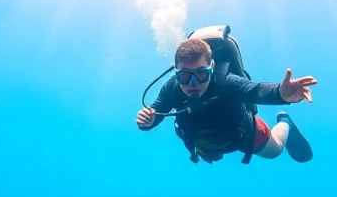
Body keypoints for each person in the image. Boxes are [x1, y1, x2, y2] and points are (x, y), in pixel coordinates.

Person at [135, 36, 317, 164]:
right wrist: (147, 121)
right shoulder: (172, 87)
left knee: (275, 151)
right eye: (184, 76)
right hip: (203, 143)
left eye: (201, 74)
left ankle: (285, 122)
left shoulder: (226, 81)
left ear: (212, 69)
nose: (193, 83)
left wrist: (281, 93)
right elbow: (156, 111)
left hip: (242, 133)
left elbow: (254, 90)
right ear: (176, 73)